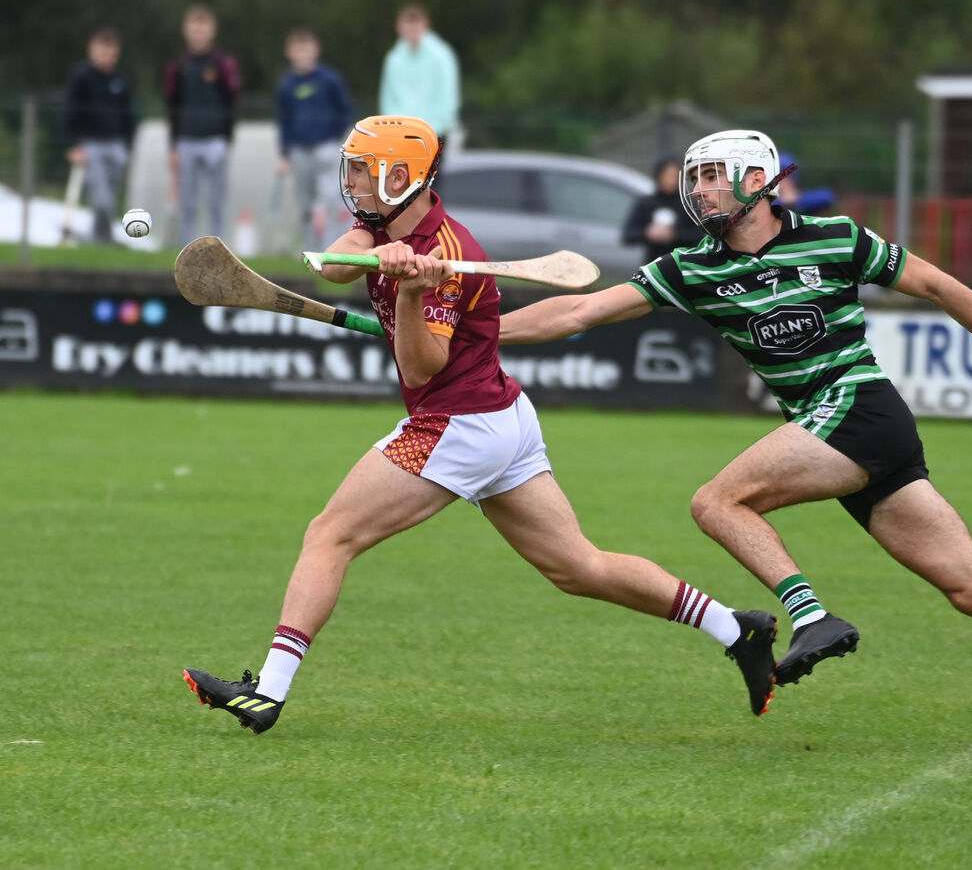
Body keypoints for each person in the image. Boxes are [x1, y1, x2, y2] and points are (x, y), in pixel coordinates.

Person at [497, 128, 972, 761]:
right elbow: (579, 310)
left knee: (718, 502)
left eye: (712, 176)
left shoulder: (835, 236)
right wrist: (482, 332)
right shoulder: (691, 267)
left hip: (862, 408)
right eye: (694, 179)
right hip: (836, 430)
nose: (697, 190)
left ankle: (810, 614)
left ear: (756, 180)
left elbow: (936, 285)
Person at [182, 116, 778, 733]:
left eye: (362, 170)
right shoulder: (388, 223)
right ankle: (738, 630)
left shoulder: (448, 253)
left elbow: (421, 370)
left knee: (330, 534)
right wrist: (377, 255)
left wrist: (412, 293)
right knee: (579, 567)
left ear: (398, 176)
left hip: (457, 424)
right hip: (501, 419)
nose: (352, 181)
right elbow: (333, 268)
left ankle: (269, 693)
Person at [164, 3, 240, 245]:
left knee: (216, 202)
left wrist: (227, 139)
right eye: (194, 28)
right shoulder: (178, 65)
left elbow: (232, 100)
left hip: (215, 140)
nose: (199, 33)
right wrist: (173, 145)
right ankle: (187, 248)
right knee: (187, 201)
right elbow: (171, 105)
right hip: (186, 140)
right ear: (186, 31)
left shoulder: (222, 63)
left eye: (203, 28)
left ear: (212, 31)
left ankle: (220, 248)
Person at [276, 27, 354, 250]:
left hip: (327, 148)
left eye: (306, 48)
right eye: (297, 49)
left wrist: (337, 139)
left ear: (316, 50)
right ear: (289, 51)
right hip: (300, 151)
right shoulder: (286, 85)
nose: (302, 54)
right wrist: (284, 153)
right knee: (305, 205)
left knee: (332, 200)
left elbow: (344, 111)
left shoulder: (329, 80)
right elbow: (284, 122)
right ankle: (309, 250)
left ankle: (333, 249)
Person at [63, 27, 137, 243]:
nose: (106, 54)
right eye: (102, 48)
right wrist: (73, 144)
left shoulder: (120, 81)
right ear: (92, 49)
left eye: (110, 49)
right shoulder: (80, 78)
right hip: (90, 145)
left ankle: (100, 239)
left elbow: (128, 117)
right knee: (101, 199)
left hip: (116, 145)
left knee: (112, 198)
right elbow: (70, 113)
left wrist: (127, 146)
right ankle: (104, 238)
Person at [377, 4, 462, 158]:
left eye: (415, 27)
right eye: (407, 27)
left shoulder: (441, 56)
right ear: (399, 28)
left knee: (433, 182)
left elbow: (447, 97)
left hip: (435, 135)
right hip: (401, 137)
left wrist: (430, 131)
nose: (411, 32)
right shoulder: (394, 58)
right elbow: (388, 99)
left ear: (425, 26)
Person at [621, 156, 704, 265]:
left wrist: (674, 235)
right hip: (653, 265)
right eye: (666, 175)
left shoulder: (689, 204)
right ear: (658, 176)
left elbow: (699, 236)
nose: (670, 180)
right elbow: (628, 235)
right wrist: (647, 233)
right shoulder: (646, 203)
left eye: (674, 176)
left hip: (683, 265)